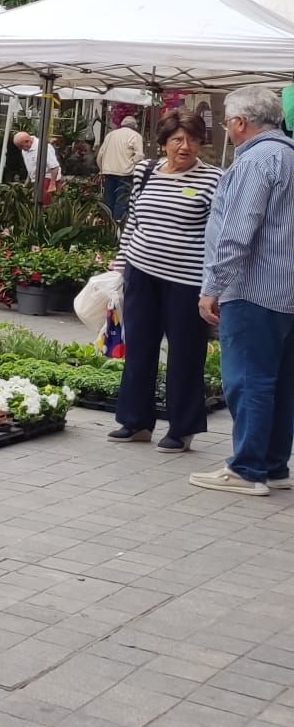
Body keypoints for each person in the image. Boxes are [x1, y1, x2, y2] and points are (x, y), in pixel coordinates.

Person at [192, 84, 294, 496]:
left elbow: (236, 232)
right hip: (285, 290)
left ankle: (247, 469)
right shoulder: (289, 155)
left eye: (227, 122)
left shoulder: (255, 162)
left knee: (249, 379)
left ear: (239, 122)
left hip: (252, 289)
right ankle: (273, 464)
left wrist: (211, 286)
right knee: (279, 381)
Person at [108, 114, 221, 453]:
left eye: (192, 140)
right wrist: (123, 264)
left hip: (187, 282)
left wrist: (212, 285)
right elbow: (134, 223)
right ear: (164, 143)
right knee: (140, 347)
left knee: (186, 354)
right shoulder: (146, 171)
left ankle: (182, 428)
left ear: (201, 144)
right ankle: (136, 421)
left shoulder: (214, 179)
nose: (184, 147)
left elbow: (218, 235)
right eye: (177, 140)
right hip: (142, 274)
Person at [96, 115, 145, 221]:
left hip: (108, 172)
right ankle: (117, 226)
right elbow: (140, 155)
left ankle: (106, 225)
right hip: (126, 173)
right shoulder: (135, 136)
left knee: (108, 200)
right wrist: (132, 163)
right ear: (134, 126)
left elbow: (100, 155)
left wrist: (102, 169)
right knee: (121, 201)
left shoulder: (110, 135)